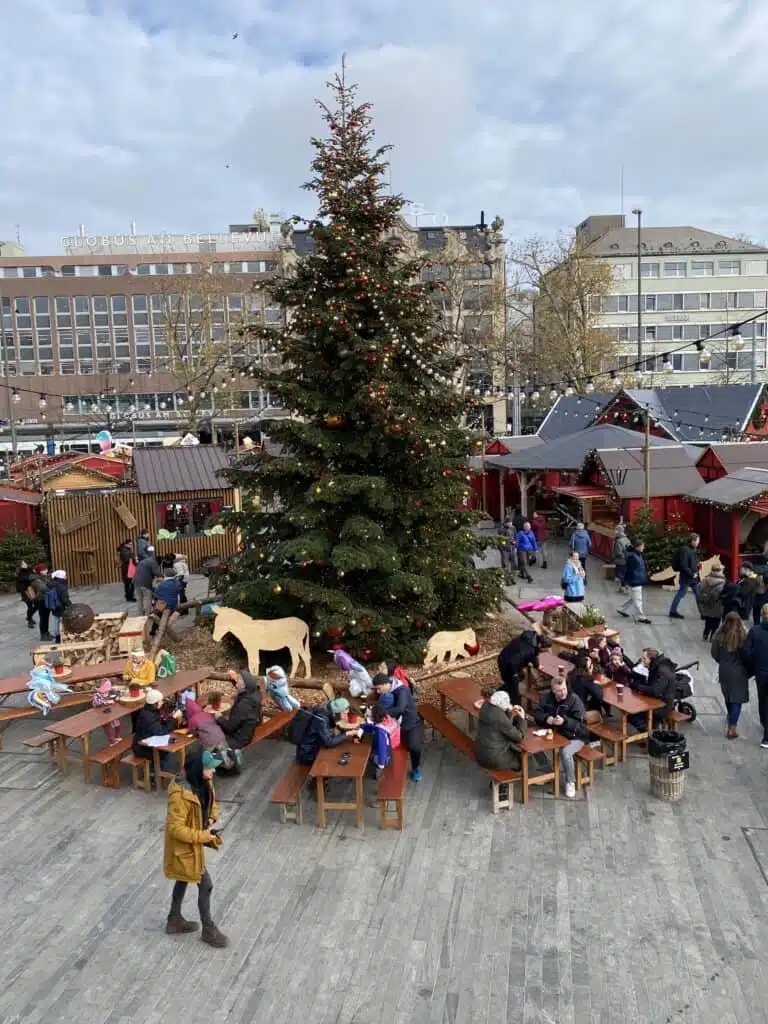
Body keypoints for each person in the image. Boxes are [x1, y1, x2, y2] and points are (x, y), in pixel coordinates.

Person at [164, 747, 228, 947]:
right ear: (199, 769)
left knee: (183, 879)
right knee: (205, 884)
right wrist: (202, 836)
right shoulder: (179, 796)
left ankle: (174, 919)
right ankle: (208, 929)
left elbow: (211, 802)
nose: (214, 772)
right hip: (185, 848)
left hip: (193, 845)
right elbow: (175, 829)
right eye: (210, 768)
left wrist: (211, 816)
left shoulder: (204, 781)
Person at [533, 677, 589, 799]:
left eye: (564, 689)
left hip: (576, 736)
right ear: (553, 690)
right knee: (534, 747)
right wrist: (548, 719)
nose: (563, 692)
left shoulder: (574, 700)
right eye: (559, 690)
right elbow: (537, 712)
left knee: (565, 753)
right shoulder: (546, 698)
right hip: (556, 734)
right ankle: (548, 773)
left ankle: (570, 782)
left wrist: (564, 721)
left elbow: (581, 724)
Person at [373, 673, 423, 781]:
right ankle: (384, 767)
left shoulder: (402, 690)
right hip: (394, 724)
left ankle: (416, 768)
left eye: (379, 688)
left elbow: (400, 708)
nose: (378, 691)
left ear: (386, 684)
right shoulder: (387, 689)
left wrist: (381, 713)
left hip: (410, 723)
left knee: (414, 747)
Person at [711, 612, 750, 739]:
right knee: (737, 699)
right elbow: (748, 654)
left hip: (724, 670)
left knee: (728, 696)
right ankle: (732, 727)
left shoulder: (719, 635)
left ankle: (730, 716)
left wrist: (722, 661)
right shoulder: (743, 636)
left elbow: (714, 653)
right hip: (739, 671)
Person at [474, 690, 527, 772]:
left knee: (512, 749)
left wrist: (511, 715)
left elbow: (502, 727)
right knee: (520, 760)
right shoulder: (500, 718)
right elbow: (519, 737)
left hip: (480, 754)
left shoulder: (485, 706)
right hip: (493, 759)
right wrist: (522, 719)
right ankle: (505, 783)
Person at [295, 696, 357, 765]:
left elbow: (328, 731)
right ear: (337, 712)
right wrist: (347, 733)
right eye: (344, 713)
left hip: (315, 747)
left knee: (340, 749)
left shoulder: (326, 710)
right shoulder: (321, 720)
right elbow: (329, 742)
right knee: (336, 757)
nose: (345, 715)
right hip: (308, 754)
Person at [133, 687, 180, 777]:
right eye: (160, 701)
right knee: (163, 751)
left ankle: (159, 771)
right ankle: (155, 774)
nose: (162, 703)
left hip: (147, 741)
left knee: (167, 748)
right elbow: (161, 731)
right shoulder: (148, 716)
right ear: (155, 703)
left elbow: (159, 724)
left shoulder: (150, 711)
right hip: (142, 747)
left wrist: (170, 719)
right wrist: (173, 719)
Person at [216, 670, 264, 758]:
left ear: (244, 685)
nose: (237, 680)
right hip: (247, 734)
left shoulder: (244, 704)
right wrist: (233, 678)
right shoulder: (254, 694)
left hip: (238, 740)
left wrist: (218, 717)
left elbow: (230, 727)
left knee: (210, 734)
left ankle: (228, 758)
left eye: (239, 679)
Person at [741, 603, 768, 748]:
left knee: (763, 700)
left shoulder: (755, 631)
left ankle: (765, 723)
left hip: (761, 672)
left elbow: (746, 652)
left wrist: (754, 661)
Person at [628, 648, 677, 728]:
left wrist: (638, 686)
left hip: (663, 706)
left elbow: (655, 691)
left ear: (651, 659)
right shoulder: (658, 666)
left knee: (632, 714)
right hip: (657, 701)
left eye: (644, 659)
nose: (642, 661)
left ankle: (647, 732)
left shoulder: (661, 671)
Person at [497, 629, 546, 703]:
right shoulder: (529, 649)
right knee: (513, 685)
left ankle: (501, 691)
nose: (541, 650)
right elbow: (515, 661)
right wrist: (514, 674)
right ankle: (515, 704)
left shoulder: (530, 638)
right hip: (506, 664)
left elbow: (529, 656)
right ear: (540, 644)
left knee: (521, 676)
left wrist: (533, 664)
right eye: (542, 648)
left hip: (505, 656)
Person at [617, 539, 651, 624]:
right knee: (638, 599)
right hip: (635, 580)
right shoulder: (633, 556)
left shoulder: (636, 554)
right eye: (642, 546)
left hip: (636, 579)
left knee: (633, 598)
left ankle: (621, 609)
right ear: (638, 547)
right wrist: (625, 581)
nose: (644, 548)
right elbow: (629, 570)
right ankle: (641, 617)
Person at [566, 651, 604, 724]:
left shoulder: (570, 674)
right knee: (596, 701)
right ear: (587, 667)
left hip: (570, 705)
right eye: (591, 666)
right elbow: (600, 696)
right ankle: (597, 722)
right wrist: (597, 684)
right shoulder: (586, 678)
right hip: (580, 708)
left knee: (593, 699)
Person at [669, 533, 701, 619]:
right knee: (681, 594)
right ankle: (673, 611)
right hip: (687, 577)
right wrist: (692, 574)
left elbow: (692, 562)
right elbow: (683, 565)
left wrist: (698, 564)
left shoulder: (693, 549)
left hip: (693, 577)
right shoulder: (685, 550)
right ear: (693, 541)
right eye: (697, 541)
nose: (698, 542)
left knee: (698, 595)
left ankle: (703, 614)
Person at [699, 562, 726, 641]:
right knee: (716, 621)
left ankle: (705, 633)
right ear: (719, 570)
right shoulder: (723, 581)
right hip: (718, 603)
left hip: (708, 603)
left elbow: (701, 590)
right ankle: (713, 636)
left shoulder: (706, 579)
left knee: (708, 620)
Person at [91, 679, 122, 746]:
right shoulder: (96, 695)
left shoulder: (109, 692)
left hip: (111, 711)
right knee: (108, 728)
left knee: (118, 724)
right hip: (101, 713)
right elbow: (97, 703)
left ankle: (117, 736)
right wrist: (107, 702)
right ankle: (111, 741)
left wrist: (117, 697)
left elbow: (117, 694)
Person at [135, 545, 162, 616]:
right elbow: (157, 573)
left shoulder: (142, 561)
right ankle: (147, 616)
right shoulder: (153, 561)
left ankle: (140, 615)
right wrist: (164, 576)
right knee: (147, 600)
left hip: (136, 583)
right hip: (146, 584)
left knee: (139, 600)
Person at [46, 569, 71, 642]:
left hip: (53, 606)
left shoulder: (50, 584)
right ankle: (64, 638)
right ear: (61, 577)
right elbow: (65, 599)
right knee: (63, 622)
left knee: (55, 622)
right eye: (65, 575)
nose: (66, 577)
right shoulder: (62, 586)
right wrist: (70, 606)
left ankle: (57, 638)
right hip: (61, 607)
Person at [30, 563, 52, 641]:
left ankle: (46, 632)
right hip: (41, 600)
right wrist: (50, 587)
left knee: (46, 618)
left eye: (46, 568)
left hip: (45, 599)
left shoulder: (43, 577)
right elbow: (43, 588)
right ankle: (43, 635)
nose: (46, 570)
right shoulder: (36, 579)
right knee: (43, 618)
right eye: (44, 569)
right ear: (40, 571)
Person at [15, 560, 36, 629]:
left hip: (32, 590)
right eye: (23, 564)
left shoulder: (29, 570)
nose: (26, 564)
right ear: (20, 566)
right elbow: (18, 586)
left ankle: (29, 617)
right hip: (25, 592)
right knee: (30, 606)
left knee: (36, 606)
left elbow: (34, 578)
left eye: (25, 563)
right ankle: (30, 620)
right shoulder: (19, 574)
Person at [612, 525, 631, 594]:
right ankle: (624, 587)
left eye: (616, 530)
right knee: (624, 574)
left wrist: (614, 556)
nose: (615, 532)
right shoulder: (627, 539)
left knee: (621, 575)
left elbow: (618, 552)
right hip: (627, 560)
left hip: (620, 561)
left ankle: (625, 588)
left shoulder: (618, 541)